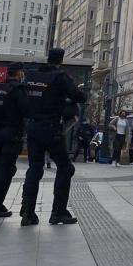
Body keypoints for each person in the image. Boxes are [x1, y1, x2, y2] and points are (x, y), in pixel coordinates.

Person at [20, 48, 86, 227]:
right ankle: (58, 212)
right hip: (51, 128)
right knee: (65, 168)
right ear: (61, 60)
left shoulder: (32, 75)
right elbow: (79, 96)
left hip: (33, 127)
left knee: (34, 169)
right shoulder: (60, 77)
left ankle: (27, 213)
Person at [0, 62, 29, 218]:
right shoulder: (18, 89)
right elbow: (26, 109)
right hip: (12, 134)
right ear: (19, 73)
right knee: (6, 169)